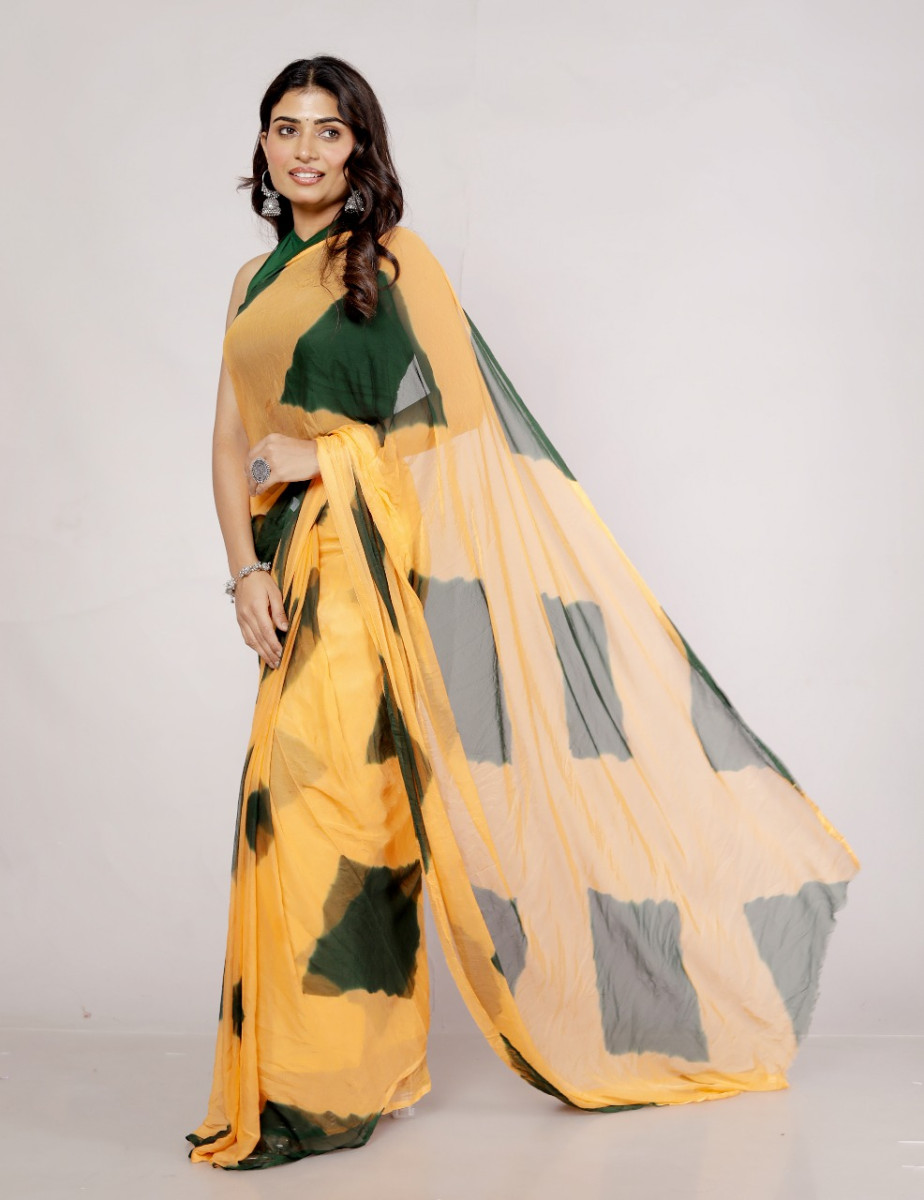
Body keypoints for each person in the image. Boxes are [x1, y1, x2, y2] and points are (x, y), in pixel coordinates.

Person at [185, 55, 860, 1172]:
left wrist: (327, 454)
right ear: (262, 146)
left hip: (363, 561)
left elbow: (455, 425)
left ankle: (334, 1081)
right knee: (288, 798)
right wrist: (244, 572)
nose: (305, 149)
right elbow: (224, 441)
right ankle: (321, 1068)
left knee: (337, 799)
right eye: (286, 128)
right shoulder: (250, 282)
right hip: (290, 564)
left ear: (359, 149)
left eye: (329, 131)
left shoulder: (391, 261)